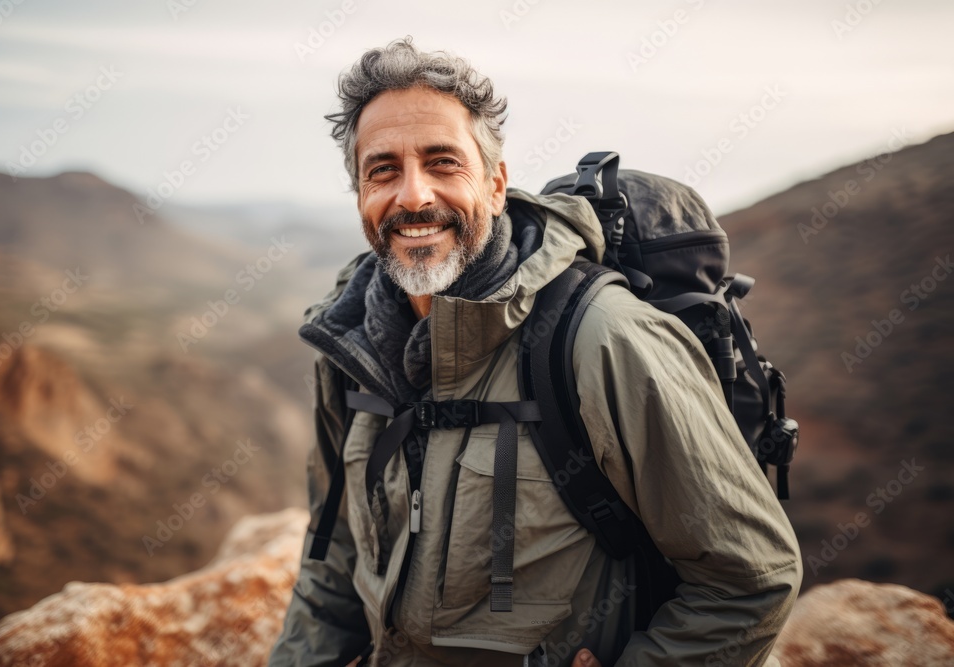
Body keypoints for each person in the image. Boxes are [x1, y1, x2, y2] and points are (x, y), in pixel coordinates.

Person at [268, 37, 802, 667]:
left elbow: (751, 579)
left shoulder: (602, 339)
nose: (412, 197)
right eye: (383, 169)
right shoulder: (347, 344)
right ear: (360, 194)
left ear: (495, 185)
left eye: (443, 162)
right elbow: (334, 560)